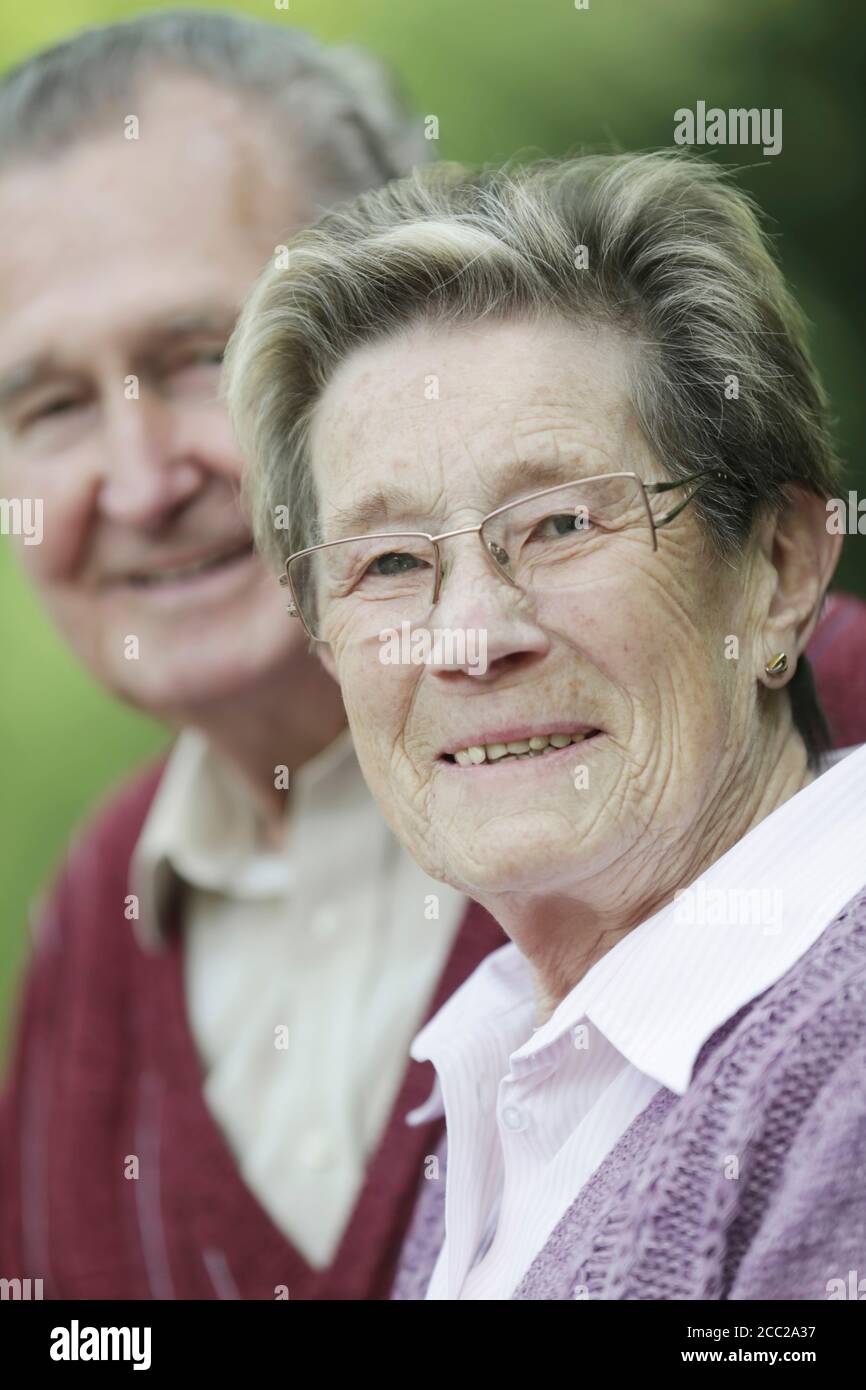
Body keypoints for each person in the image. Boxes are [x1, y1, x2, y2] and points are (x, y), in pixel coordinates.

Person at [225, 152, 866, 1299]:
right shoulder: (508, 1067)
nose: (470, 633)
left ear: (775, 570)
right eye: (384, 562)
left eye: (562, 522)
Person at [0, 12, 503, 1301]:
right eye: (49, 407)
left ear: (418, 319)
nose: (140, 478)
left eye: (203, 357)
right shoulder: (96, 917)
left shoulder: (802, 742)